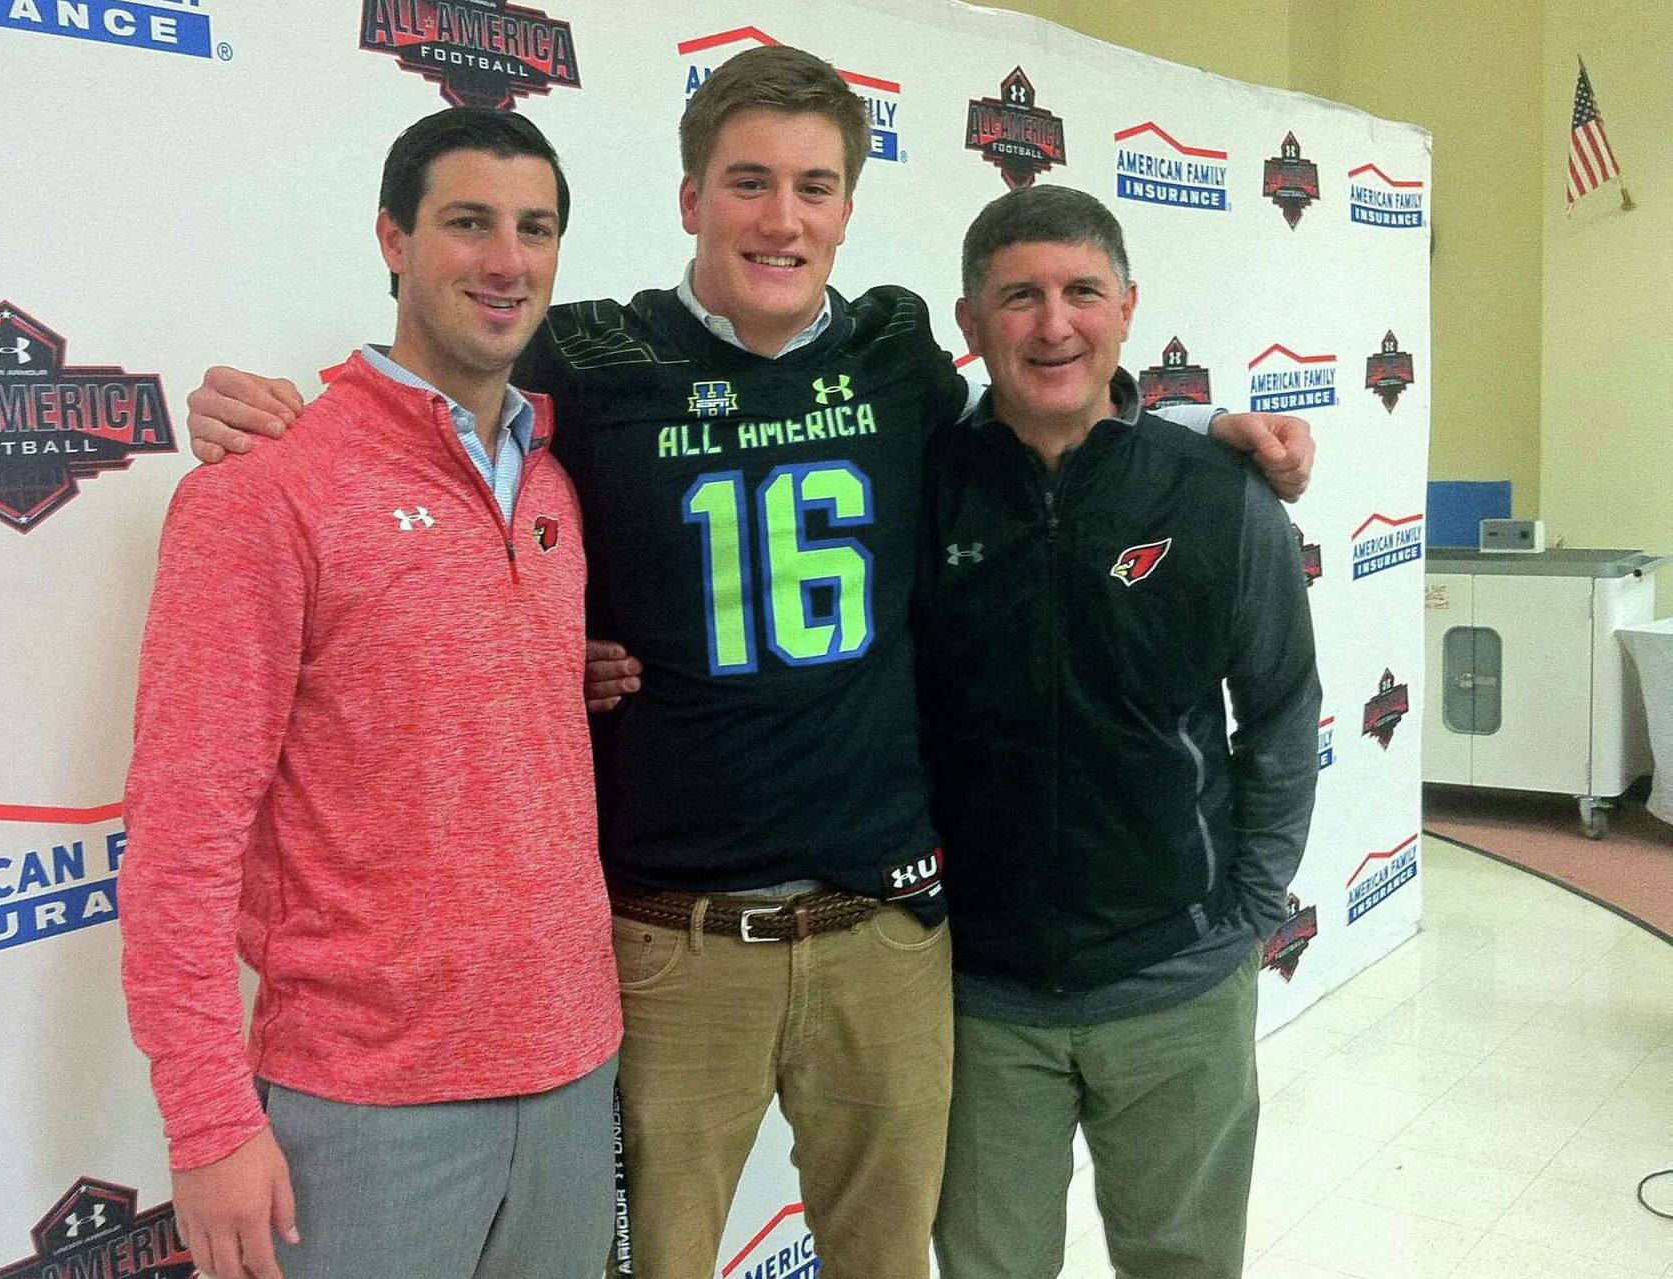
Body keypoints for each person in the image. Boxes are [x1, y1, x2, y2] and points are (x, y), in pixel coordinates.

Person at [181, 47, 1315, 1279]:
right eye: (749, 183)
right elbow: (444, 403)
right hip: (673, 942)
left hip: (888, 932)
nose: (783, 218)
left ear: (847, 211)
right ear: (689, 202)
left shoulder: (897, 358)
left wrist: (1205, 431)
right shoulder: (594, 362)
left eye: (815, 187)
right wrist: (277, 413)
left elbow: (1051, 403)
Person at [116, 107, 620, 1279]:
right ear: (393, 238)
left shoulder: (555, 477)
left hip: (574, 1070)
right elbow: (183, 836)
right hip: (363, 1105)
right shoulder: (266, 492)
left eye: (534, 228)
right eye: (468, 223)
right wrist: (207, 1119)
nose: (506, 260)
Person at [917, 185, 1321, 1279]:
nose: (1054, 324)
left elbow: (1282, 708)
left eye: (1081, 291)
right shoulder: (919, 490)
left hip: (1178, 983)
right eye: (1020, 297)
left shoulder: (1220, 495)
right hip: (979, 998)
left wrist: (1246, 910)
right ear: (970, 324)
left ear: (1129, 307)